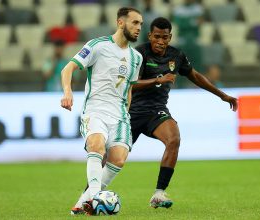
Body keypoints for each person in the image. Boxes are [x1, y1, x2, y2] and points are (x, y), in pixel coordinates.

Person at [129, 17, 238, 208]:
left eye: (164, 37)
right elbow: (130, 85)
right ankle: (89, 193)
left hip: (157, 111)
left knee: (174, 139)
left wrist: (222, 95)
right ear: (149, 36)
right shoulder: (139, 53)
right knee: (115, 157)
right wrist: (158, 80)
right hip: (132, 112)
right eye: (156, 37)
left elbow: (195, 76)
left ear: (170, 37)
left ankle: (159, 194)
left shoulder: (176, 55)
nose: (160, 42)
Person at [60, 7, 143, 215]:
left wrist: (127, 111)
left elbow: (129, 88)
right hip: (95, 110)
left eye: (141, 24)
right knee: (96, 146)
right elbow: (67, 69)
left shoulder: (136, 57)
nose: (139, 28)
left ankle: (83, 202)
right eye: (135, 23)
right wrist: (67, 92)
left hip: (120, 115)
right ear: (121, 23)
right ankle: (97, 198)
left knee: (118, 159)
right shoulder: (97, 45)